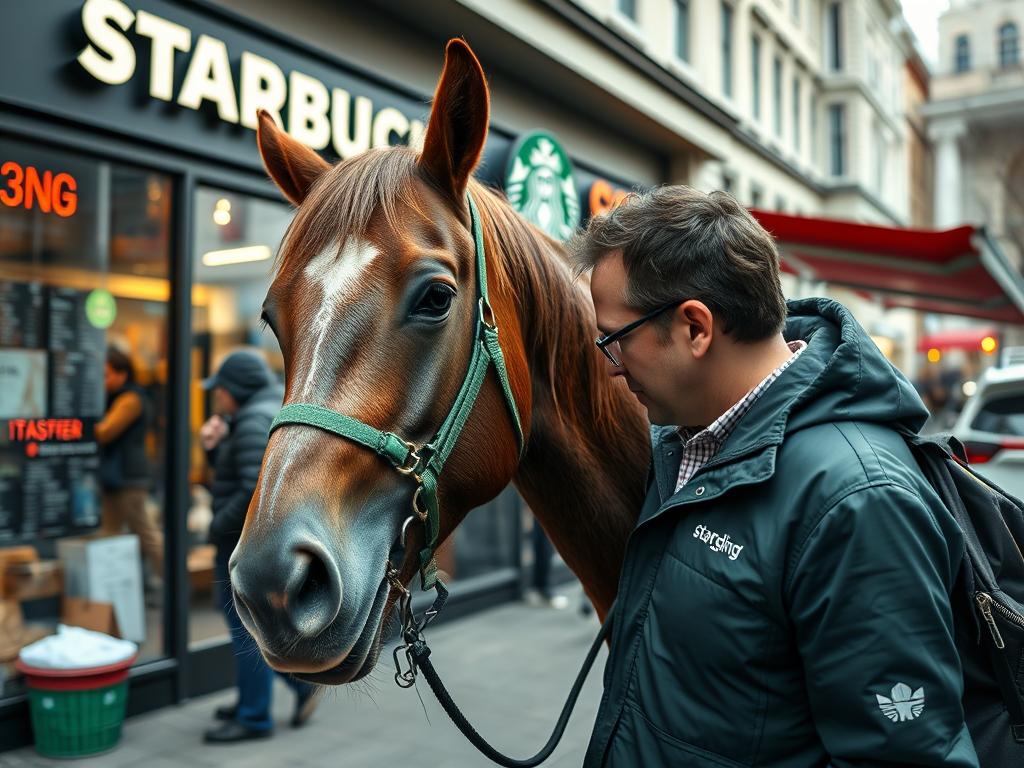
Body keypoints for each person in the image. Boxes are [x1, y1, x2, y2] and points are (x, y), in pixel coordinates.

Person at [571, 186, 978, 767]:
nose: (611, 368)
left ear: (695, 327)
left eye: (616, 340)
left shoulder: (858, 501)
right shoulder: (687, 440)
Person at [199, 349, 322, 744]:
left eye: (219, 389)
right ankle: (294, 690)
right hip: (257, 542)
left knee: (245, 631)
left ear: (235, 389)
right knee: (252, 629)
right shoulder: (266, 409)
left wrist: (216, 526)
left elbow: (255, 488)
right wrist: (216, 448)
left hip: (241, 544)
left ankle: (254, 716)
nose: (216, 396)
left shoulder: (252, 420)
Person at [96, 346, 164, 591]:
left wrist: (80, 426)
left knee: (145, 533)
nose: (102, 381)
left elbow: (105, 431)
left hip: (128, 477)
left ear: (122, 373)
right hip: (118, 476)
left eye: (106, 374)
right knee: (111, 533)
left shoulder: (130, 399)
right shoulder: (117, 398)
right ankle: (113, 589)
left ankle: (173, 580)